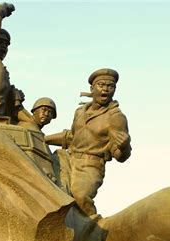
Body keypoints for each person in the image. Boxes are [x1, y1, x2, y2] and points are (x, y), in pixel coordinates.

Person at [45, 68, 131, 216]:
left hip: (90, 165)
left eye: (110, 86)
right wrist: (42, 138)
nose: (105, 89)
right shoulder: (80, 111)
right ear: (92, 88)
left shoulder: (115, 117)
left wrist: (124, 146)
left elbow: (119, 156)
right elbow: (71, 137)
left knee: (80, 196)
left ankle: (93, 231)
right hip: (68, 159)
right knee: (46, 181)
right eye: (101, 85)